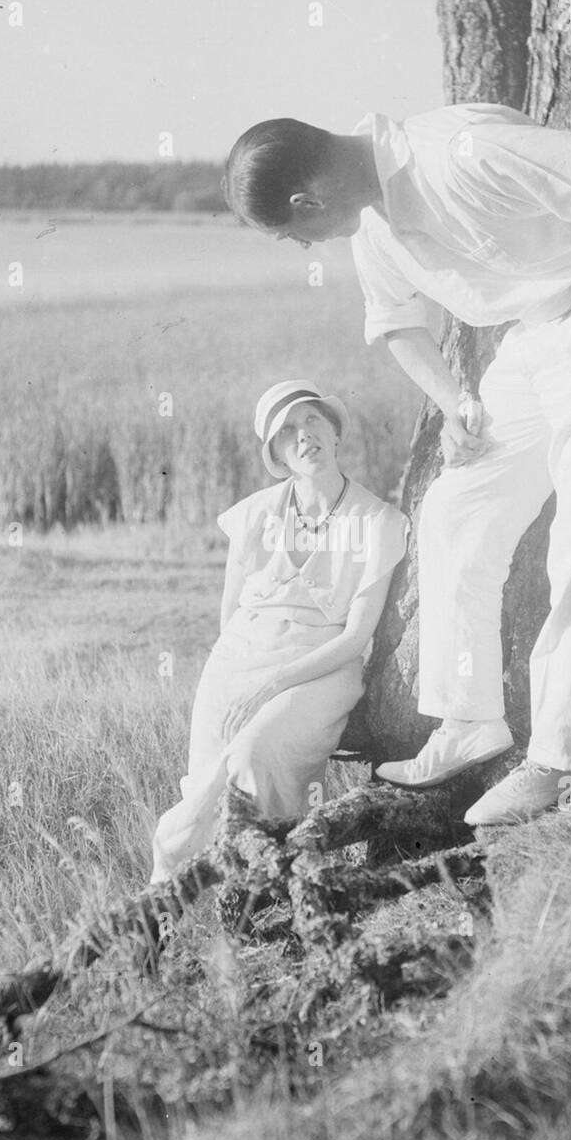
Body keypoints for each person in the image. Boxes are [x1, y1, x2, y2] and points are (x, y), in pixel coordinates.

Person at [223, 104, 571, 828]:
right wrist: (457, 405)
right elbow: (397, 323)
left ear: (306, 201)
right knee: (453, 512)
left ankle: (561, 763)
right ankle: (469, 722)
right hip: (539, 337)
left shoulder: (456, 153)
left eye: (291, 235)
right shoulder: (374, 223)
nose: (301, 245)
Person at [150, 378, 409, 882]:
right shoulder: (253, 516)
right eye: (287, 431)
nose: (303, 435)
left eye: (312, 419)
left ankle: (276, 885)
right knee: (202, 796)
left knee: (254, 756)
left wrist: (273, 684)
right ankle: (163, 909)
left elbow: (355, 639)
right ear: (278, 455)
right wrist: (242, 678)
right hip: (238, 663)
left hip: (320, 668)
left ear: (334, 433)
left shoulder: (377, 521)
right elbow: (229, 617)